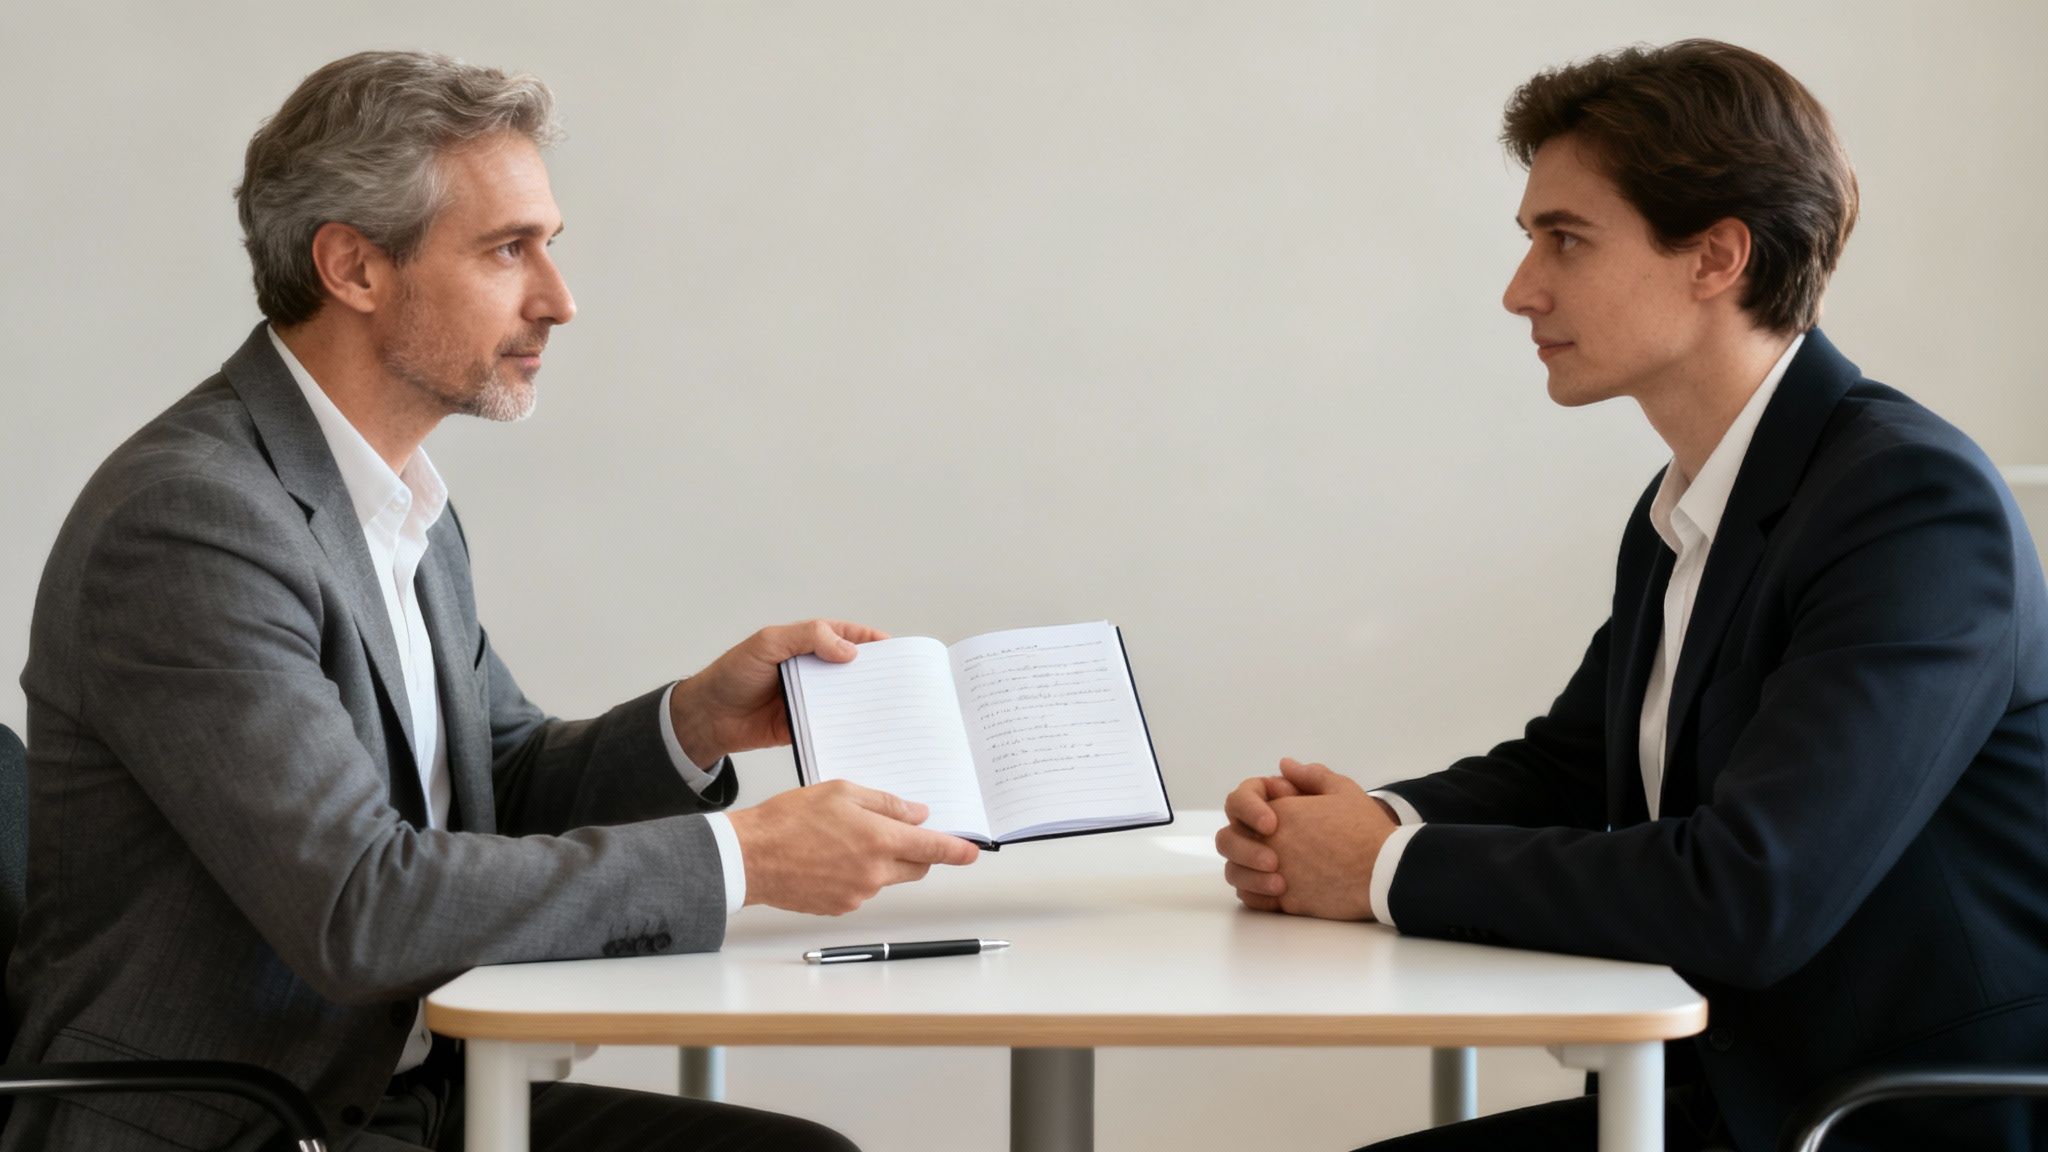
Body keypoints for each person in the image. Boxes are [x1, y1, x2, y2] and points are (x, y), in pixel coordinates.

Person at [7, 50, 980, 1152]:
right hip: (242, 1123)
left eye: (548, 247)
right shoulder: (193, 523)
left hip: (401, 1097)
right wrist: (744, 858)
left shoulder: (393, 502)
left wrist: (692, 722)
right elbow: (359, 907)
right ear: (353, 268)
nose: (558, 301)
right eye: (506, 250)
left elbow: (493, 791)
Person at [1216, 39, 2048, 1152]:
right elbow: (1570, 765)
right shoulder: (1699, 498)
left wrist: (1376, 870)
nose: (1520, 290)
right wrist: (1373, 820)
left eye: (1564, 240)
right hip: (1727, 1097)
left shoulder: (1907, 504)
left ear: (1713, 257)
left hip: (1878, 1119)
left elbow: (1749, 892)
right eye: (1528, 241)